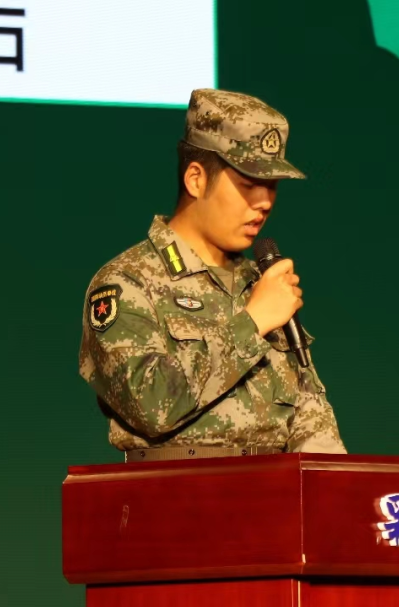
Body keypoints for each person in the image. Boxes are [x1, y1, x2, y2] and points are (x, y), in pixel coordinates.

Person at [79, 88, 346, 460]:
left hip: (279, 490)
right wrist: (251, 323)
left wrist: (334, 481)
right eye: (248, 184)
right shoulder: (127, 283)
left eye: (271, 186)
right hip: (176, 490)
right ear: (196, 179)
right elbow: (149, 404)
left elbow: (310, 413)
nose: (264, 202)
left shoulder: (260, 283)